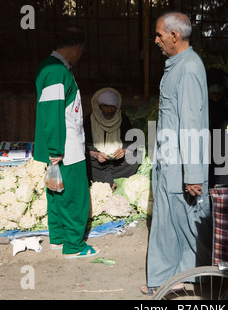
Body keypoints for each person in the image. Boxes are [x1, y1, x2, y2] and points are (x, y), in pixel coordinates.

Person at [141, 12, 212, 295]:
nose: (156, 40)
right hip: (169, 162)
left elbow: (191, 123)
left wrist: (193, 173)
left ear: (175, 36)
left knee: (186, 225)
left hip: (182, 166)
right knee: (167, 223)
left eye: (159, 35)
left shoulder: (190, 68)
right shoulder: (177, 65)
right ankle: (164, 279)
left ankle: (196, 278)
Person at [34, 27, 100, 259]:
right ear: (77, 47)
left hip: (59, 147)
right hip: (66, 148)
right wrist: (56, 148)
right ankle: (73, 245)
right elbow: (52, 112)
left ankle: (59, 237)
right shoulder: (56, 71)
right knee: (74, 194)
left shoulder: (51, 68)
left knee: (56, 189)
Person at [83, 87, 140, 187]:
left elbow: (133, 144)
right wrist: (96, 155)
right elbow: (83, 146)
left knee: (135, 157)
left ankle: (110, 180)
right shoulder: (89, 120)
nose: (110, 110)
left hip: (118, 164)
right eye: (106, 106)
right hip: (97, 164)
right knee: (84, 161)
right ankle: (108, 181)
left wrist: (123, 151)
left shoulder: (123, 119)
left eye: (113, 107)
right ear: (99, 106)